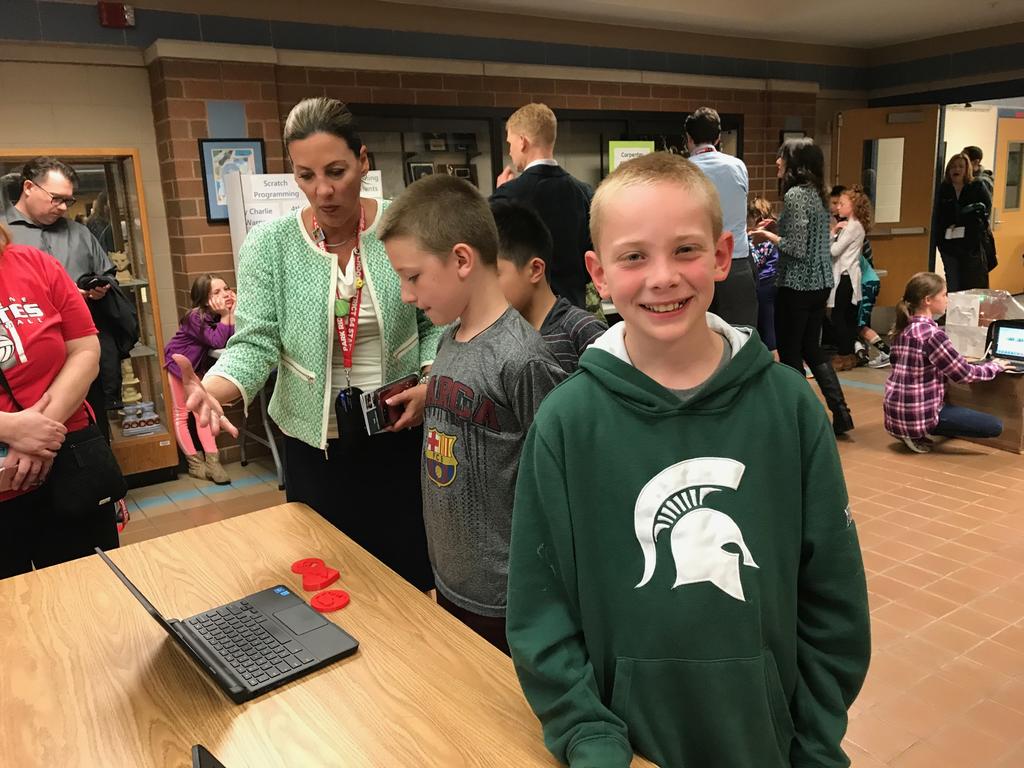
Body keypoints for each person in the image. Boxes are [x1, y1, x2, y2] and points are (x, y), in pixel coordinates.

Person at [506, 152, 871, 768]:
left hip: (768, 744)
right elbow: (541, 607)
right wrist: (587, 732)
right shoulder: (566, 423)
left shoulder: (789, 408)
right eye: (633, 257)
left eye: (685, 250)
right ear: (598, 273)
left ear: (723, 256)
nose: (662, 277)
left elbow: (834, 597)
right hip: (626, 748)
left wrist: (813, 738)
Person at [174, 97, 442, 592]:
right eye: (306, 175)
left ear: (363, 161)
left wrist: (429, 382)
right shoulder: (270, 245)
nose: (323, 190)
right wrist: (214, 388)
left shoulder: (405, 227)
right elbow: (255, 342)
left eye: (336, 171)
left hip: (399, 432)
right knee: (326, 582)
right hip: (313, 446)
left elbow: (437, 322)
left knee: (403, 577)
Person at [379, 174, 567, 653]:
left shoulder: (523, 359)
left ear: (462, 260)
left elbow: (561, 480)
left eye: (412, 277)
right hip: (451, 578)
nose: (405, 294)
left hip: (507, 598)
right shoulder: (448, 338)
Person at [0, 222, 118, 578]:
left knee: (93, 591)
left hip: (67, 463)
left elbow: (85, 350)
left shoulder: (35, 264)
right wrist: (11, 429)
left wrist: (39, 434)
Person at [2, 157, 121, 439]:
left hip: (81, 354)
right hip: (21, 376)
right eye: (56, 198)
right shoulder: (5, 236)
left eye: (68, 200)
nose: (64, 207)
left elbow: (108, 275)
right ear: (28, 187)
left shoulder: (79, 233)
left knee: (92, 436)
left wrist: (97, 289)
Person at [751, 138, 855, 435]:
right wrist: (778, 227)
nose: (777, 162)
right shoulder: (818, 194)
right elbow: (808, 239)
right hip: (819, 284)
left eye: (782, 157)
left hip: (797, 285)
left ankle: (804, 418)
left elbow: (795, 248)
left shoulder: (795, 195)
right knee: (812, 348)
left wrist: (766, 236)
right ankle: (841, 413)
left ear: (795, 163)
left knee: (790, 353)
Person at [884, 272, 1007, 454]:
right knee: (995, 426)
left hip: (895, 412)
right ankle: (917, 432)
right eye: (943, 295)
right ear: (927, 300)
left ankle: (909, 431)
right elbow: (965, 375)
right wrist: (995, 366)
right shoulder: (933, 334)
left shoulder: (901, 329)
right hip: (917, 414)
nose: (947, 299)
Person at [491, 103, 595, 308]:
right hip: (574, 310)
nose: (510, 152)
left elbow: (494, 258)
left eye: (510, 143)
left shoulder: (507, 196)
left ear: (523, 142)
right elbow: (591, 257)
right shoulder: (585, 193)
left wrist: (501, 195)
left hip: (526, 315)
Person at [492, 200, 607, 372]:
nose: (485, 288)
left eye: (494, 275)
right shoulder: (500, 336)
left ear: (535, 269)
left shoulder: (583, 332)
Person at [685, 106, 757, 327]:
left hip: (697, 266)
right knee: (740, 336)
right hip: (737, 262)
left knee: (698, 335)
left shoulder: (683, 171)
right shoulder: (738, 166)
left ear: (689, 139)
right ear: (718, 138)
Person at [164, 274, 236, 484]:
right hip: (179, 364)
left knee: (202, 412)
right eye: (217, 292)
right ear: (205, 300)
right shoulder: (195, 316)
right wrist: (226, 314)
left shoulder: (218, 314)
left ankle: (213, 463)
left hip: (196, 368)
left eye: (226, 288)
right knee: (182, 413)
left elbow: (232, 338)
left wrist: (231, 312)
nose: (225, 294)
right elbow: (217, 340)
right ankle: (195, 464)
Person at [828, 185, 870, 371]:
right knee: (846, 317)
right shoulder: (853, 225)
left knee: (839, 317)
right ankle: (847, 353)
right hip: (847, 275)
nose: (838, 207)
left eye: (842, 204)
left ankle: (844, 354)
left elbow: (834, 251)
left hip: (845, 276)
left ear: (853, 206)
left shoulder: (852, 227)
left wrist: (833, 233)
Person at [935, 153, 992, 292]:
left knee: (972, 282)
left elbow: (986, 210)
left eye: (961, 166)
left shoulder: (977, 186)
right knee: (953, 282)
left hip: (971, 244)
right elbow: (938, 214)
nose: (957, 169)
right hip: (948, 244)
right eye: (953, 166)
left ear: (967, 169)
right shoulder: (944, 188)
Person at [747, 196, 778, 352]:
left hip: (765, 284)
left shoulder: (763, 236)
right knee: (768, 326)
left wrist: (748, 239)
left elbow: (756, 260)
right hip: (770, 282)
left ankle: (773, 359)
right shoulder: (773, 232)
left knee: (767, 327)